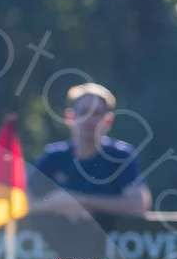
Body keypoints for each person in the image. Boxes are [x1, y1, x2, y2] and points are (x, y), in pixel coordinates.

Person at [29, 83, 150, 220]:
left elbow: (137, 205)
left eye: (96, 113)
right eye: (84, 112)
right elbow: (22, 202)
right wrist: (56, 205)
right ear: (70, 117)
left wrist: (80, 201)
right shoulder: (53, 157)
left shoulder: (121, 156)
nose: (89, 120)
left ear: (108, 120)